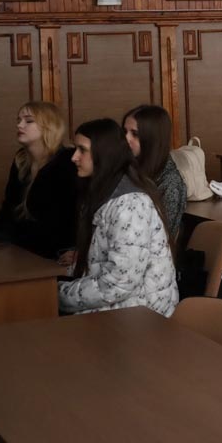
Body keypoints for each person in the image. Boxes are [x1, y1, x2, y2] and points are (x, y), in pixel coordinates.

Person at [58, 118, 179, 317]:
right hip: (125, 304)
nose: (74, 157)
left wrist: (61, 294)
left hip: (142, 313)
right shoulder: (103, 191)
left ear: (104, 154)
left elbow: (120, 284)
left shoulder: (131, 205)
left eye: (82, 150)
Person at [0, 101, 78, 261]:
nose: (20, 125)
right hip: (21, 242)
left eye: (29, 121)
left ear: (49, 126)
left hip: (56, 248)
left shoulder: (67, 161)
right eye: (19, 120)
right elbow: (9, 206)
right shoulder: (21, 160)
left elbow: (75, 212)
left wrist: (76, 248)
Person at [122, 104, 186, 237]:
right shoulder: (126, 167)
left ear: (152, 139)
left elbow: (162, 237)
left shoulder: (170, 182)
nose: (126, 139)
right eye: (124, 132)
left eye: (134, 134)